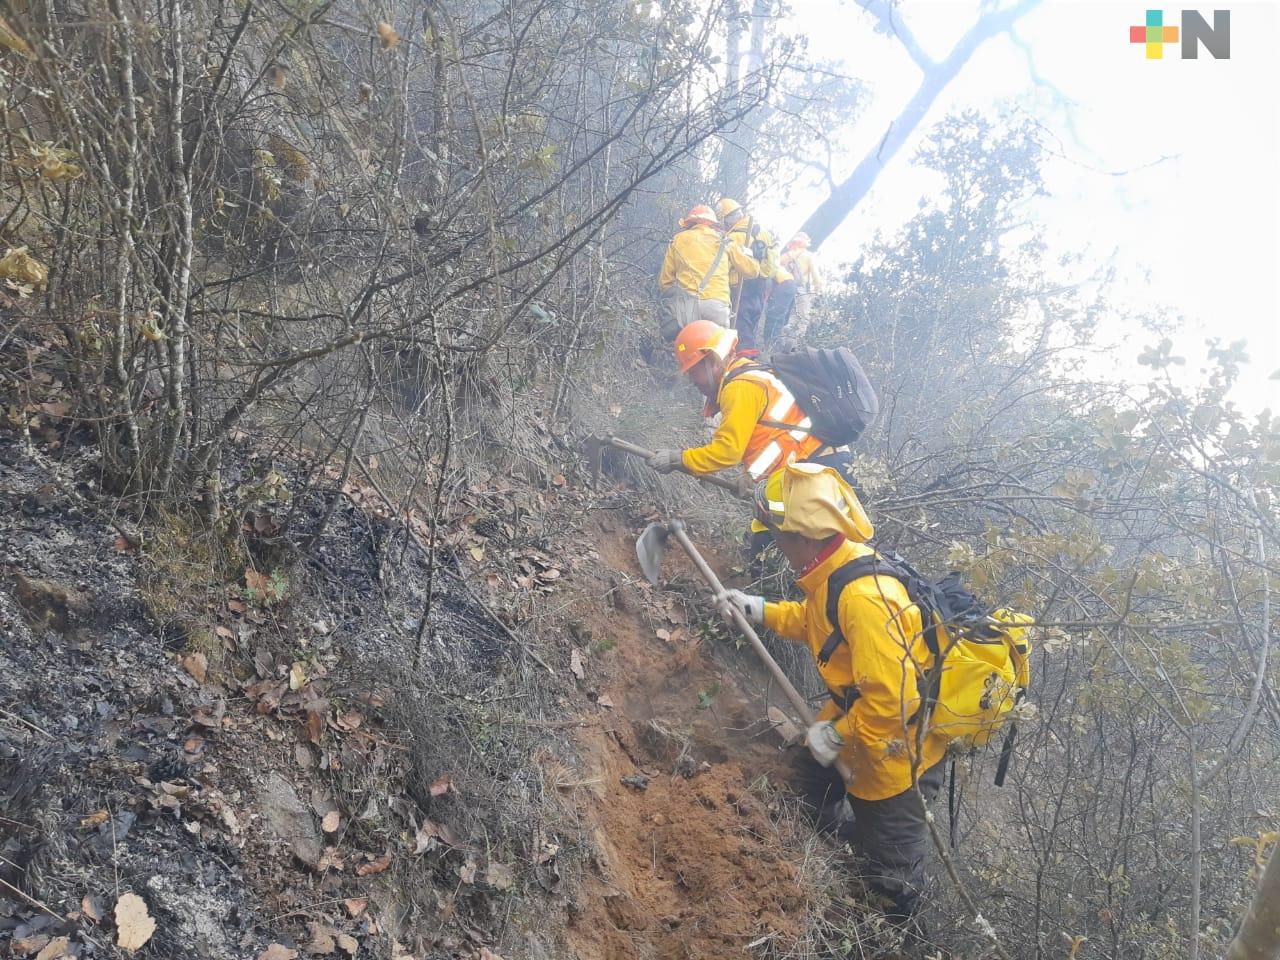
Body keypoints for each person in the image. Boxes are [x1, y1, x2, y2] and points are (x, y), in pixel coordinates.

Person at [714, 461, 948, 937]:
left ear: (805, 535)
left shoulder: (864, 597)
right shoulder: (837, 566)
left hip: (894, 754)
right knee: (808, 780)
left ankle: (892, 938)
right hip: (852, 718)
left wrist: (838, 735)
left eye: (779, 536)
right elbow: (817, 622)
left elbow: (893, 700)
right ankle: (826, 850)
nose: (776, 546)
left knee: (892, 872)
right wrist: (758, 609)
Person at [648, 320, 852, 559]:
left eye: (693, 371)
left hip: (817, 471)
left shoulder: (740, 387)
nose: (693, 380)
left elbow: (727, 451)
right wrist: (751, 476)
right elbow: (775, 439)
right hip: (815, 468)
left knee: (789, 553)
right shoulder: (750, 375)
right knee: (768, 545)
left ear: (711, 360)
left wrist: (678, 459)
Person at [657, 205, 760, 341]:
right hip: (717, 307)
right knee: (716, 352)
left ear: (690, 223)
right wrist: (747, 255)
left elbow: (665, 282)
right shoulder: (725, 241)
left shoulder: (678, 240)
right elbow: (752, 271)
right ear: (713, 224)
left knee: (688, 351)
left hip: (686, 308)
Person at [715, 197, 776, 354]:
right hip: (761, 286)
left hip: (740, 288)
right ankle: (747, 360)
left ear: (726, 219)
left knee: (740, 330)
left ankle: (744, 366)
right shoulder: (763, 232)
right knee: (751, 326)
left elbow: (724, 266)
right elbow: (772, 261)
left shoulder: (733, 237)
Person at [781, 232, 823, 337]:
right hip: (800, 289)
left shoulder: (785, 256)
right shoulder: (809, 256)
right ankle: (795, 340)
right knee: (802, 316)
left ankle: (779, 338)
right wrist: (818, 289)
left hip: (783, 288)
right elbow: (816, 276)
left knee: (782, 316)